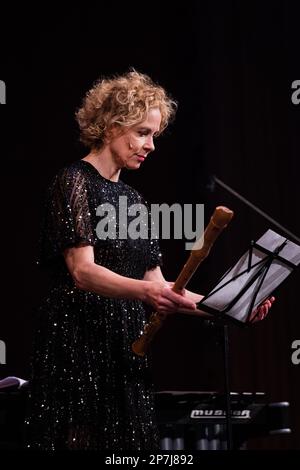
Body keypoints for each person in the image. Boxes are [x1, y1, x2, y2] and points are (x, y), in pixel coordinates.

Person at [25, 70, 274, 451]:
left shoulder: (135, 202)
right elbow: (83, 271)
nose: (151, 145)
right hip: (78, 343)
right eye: (142, 132)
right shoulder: (72, 181)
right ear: (110, 126)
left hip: (126, 348)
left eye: (154, 135)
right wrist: (147, 292)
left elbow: (161, 287)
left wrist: (229, 309)